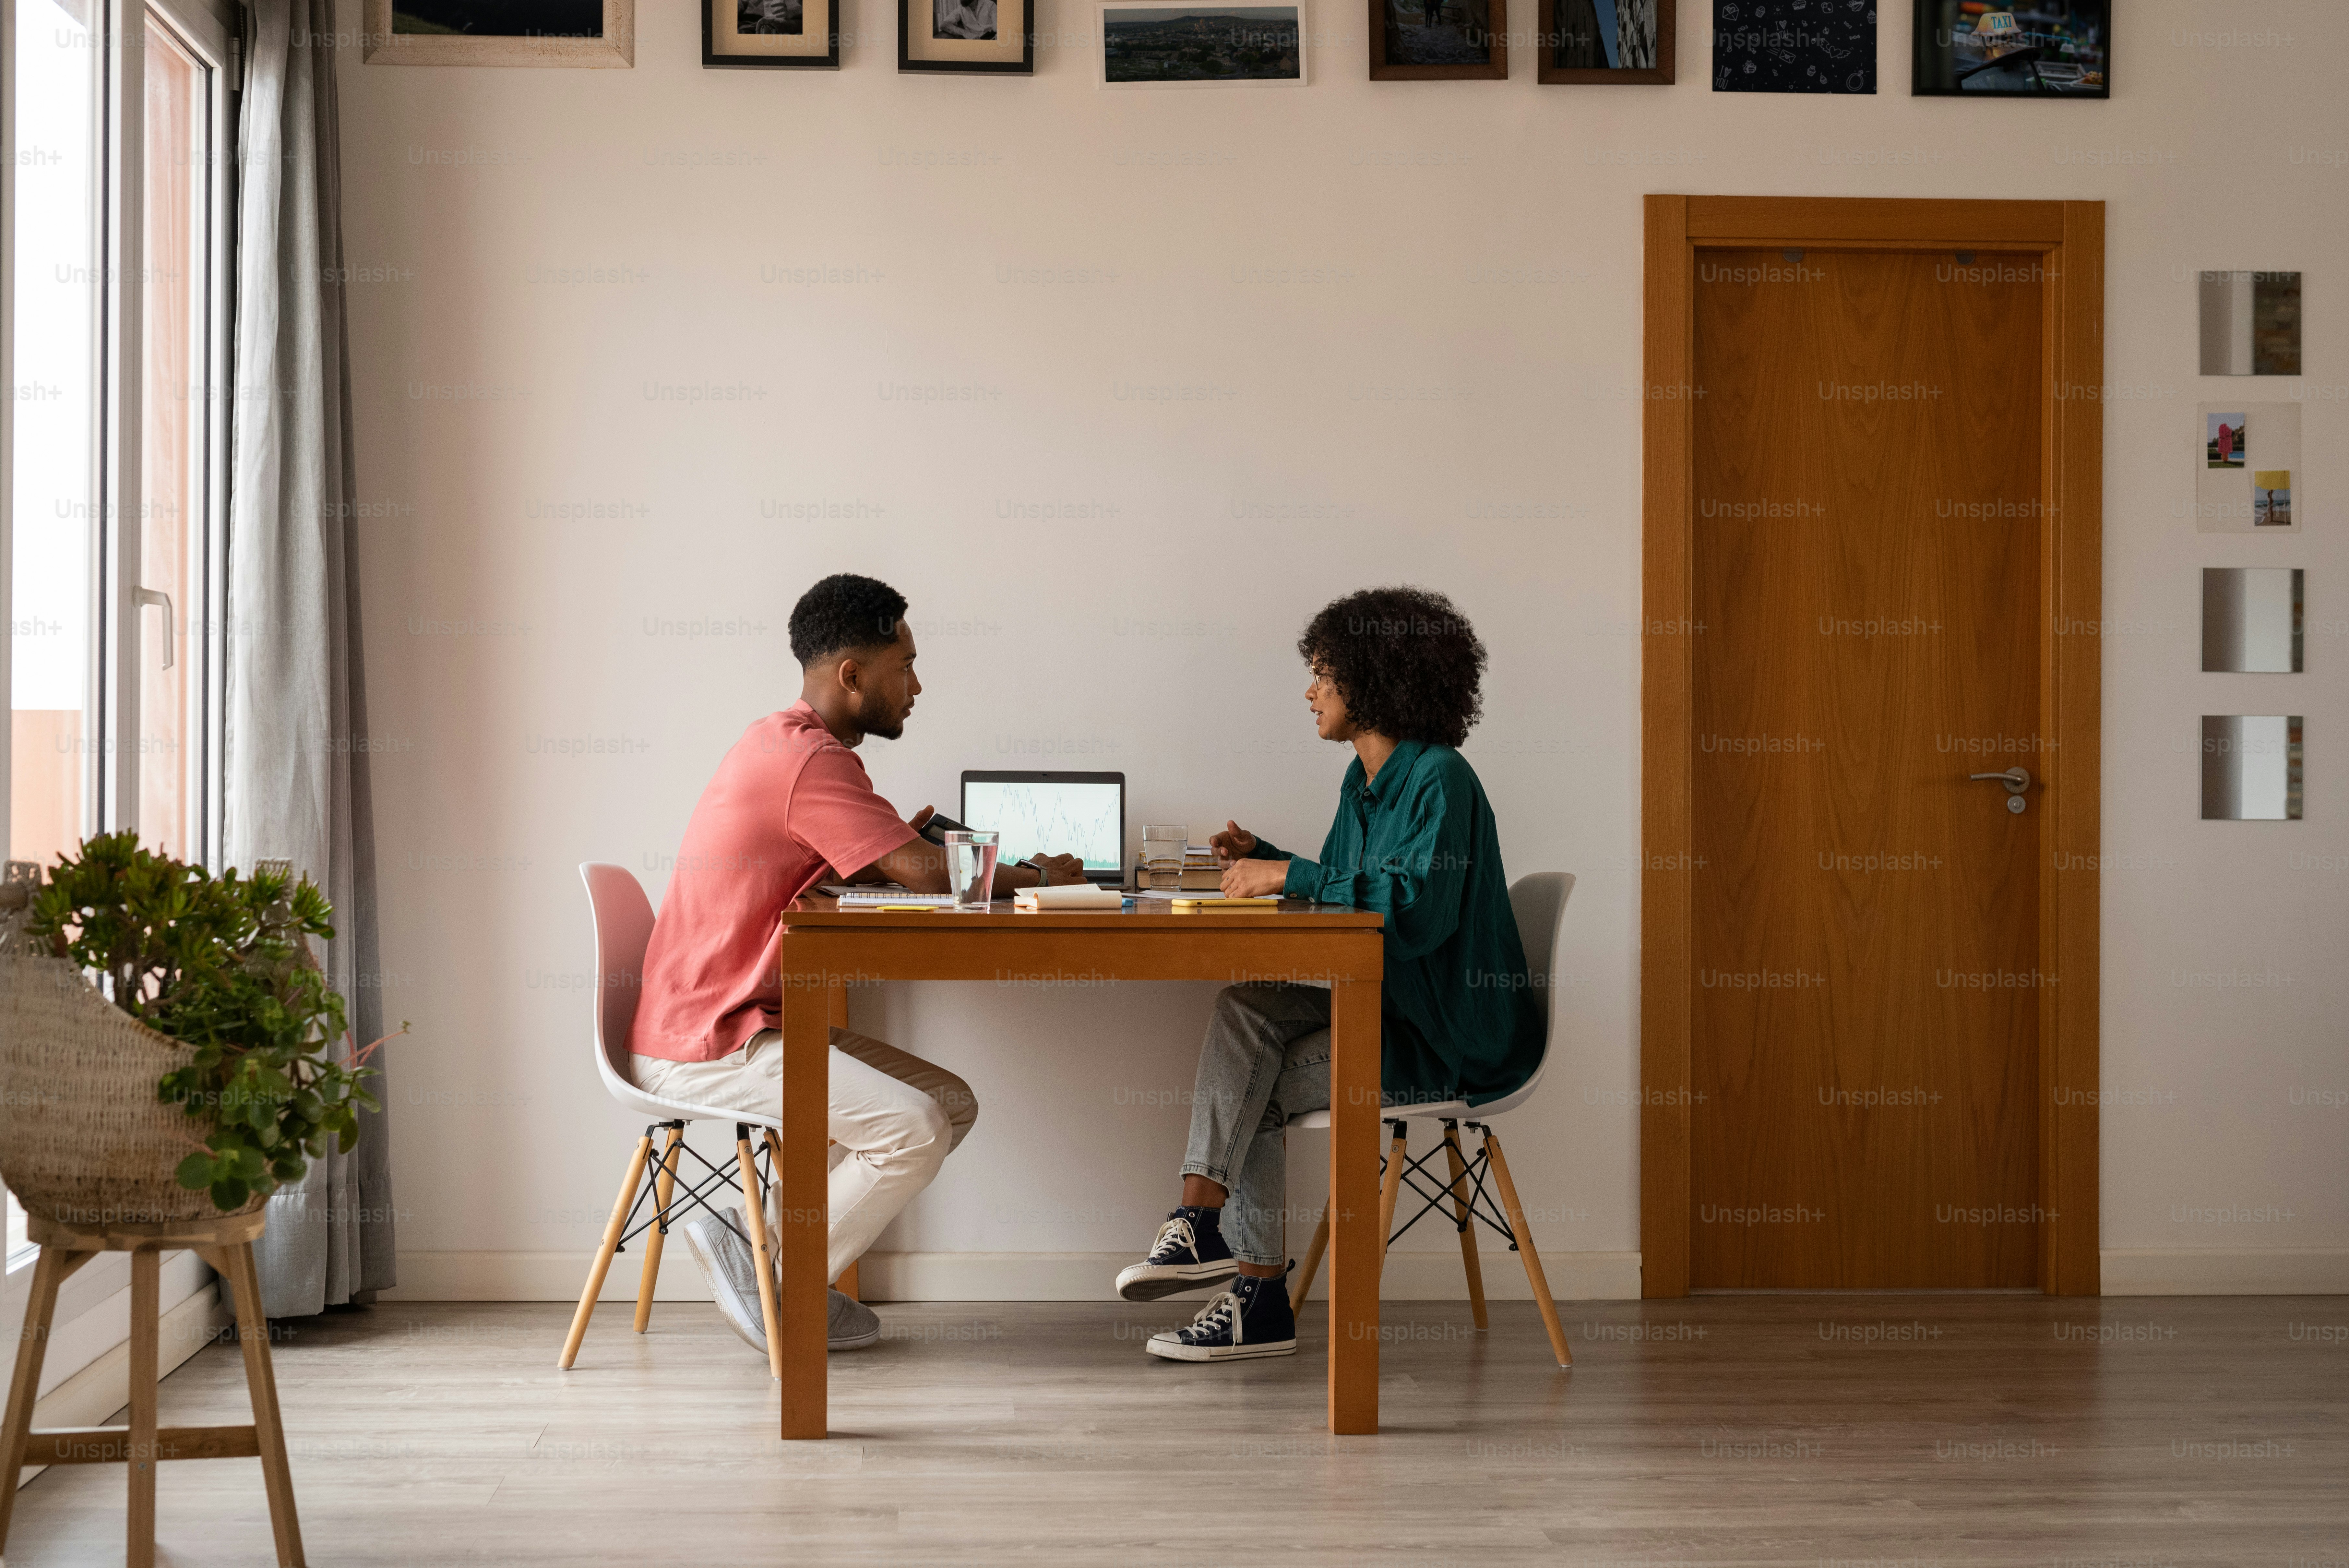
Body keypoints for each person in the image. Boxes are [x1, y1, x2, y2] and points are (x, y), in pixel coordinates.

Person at [629, 573, 1086, 1356]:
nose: (916, 684)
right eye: (904, 664)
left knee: (947, 1101)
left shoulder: (787, 743)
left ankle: (752, 1238)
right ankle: (784, 1281)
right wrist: (1046, 876)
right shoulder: (809, 760)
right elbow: (927, 873)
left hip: (735, 1022)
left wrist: (898, 857)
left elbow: (877, 863)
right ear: (852, 675)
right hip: (712, 1041)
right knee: (914, 1128)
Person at [1113, 585, 1543, 1363]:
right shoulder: (1364, 782)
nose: (1309, 692)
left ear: (1372, 681)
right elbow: (1352, 884)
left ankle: (1255, 1293)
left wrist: (1291, 876)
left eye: (1322, 674)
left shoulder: (1441, 779)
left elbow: (1413, 914)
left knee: (1254, 1090)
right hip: (1396, 1010)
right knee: (1246, 1007)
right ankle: (1202, 1226)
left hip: (1446, 1040)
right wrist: (1270, 858)